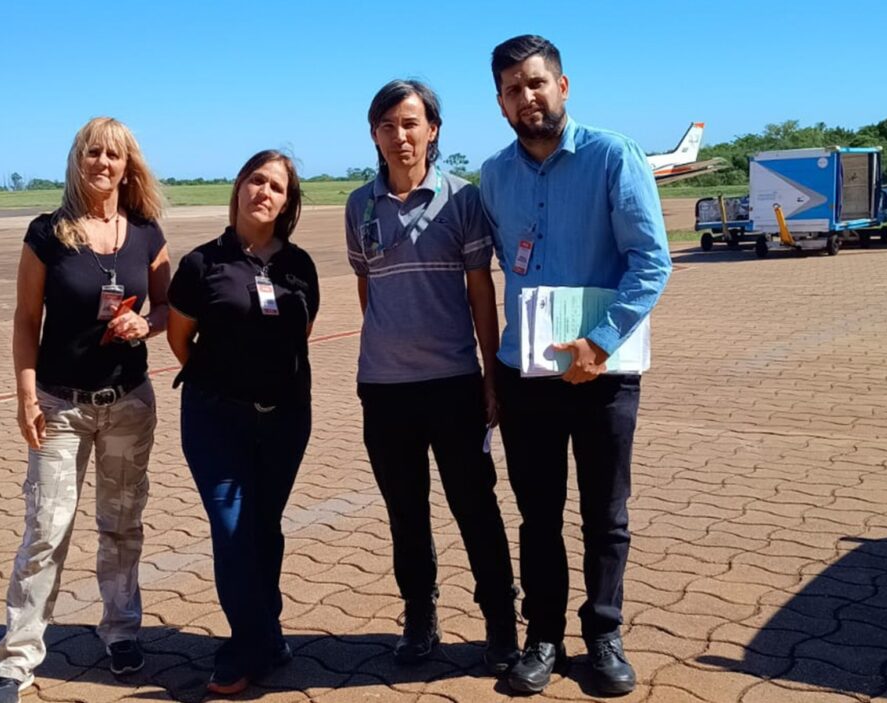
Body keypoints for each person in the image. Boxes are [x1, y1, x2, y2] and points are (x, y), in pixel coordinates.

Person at [479, 35, 672, 696]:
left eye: (536, 82)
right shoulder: (494, 175)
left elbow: (652, 261)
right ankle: (544, 635)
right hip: (527, 374)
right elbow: (509, 261)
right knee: (538, 514)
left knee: (605, 514)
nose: (526, 97)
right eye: (512, 89)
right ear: (500, 103)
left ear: (563, 86)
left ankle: (604, 633)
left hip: (604, 374)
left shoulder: (612, 156)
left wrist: (600, 338)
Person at [0, 117, 171, 703]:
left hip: (128, 404)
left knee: (122, 526)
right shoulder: (48, 233)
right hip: (60, 406)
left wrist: (149, 323)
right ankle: (18, 656)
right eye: (93, 152)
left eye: (114, 155)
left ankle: (120, 631)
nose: (102, 163)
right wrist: (24, 393)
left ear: (128, 165)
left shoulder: (145, 232)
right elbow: (24, 320)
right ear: (77, 159)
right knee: (46, 528)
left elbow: (169, 308)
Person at [344, 80, 519, 673]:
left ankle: (500, 619)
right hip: (385, 389)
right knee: (405, 511)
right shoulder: (358, 205)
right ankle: (420, 616)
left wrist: (490, 376)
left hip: (453, 384)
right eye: (388, 125)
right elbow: (369, 292)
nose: (400, 136)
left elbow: (479, 292)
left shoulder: (462, 200)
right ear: (374, 134)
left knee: (475, 504)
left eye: (411, 123)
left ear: (433, 130)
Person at [166, 150, 319, 695]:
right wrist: (227, 382)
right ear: (238, 187)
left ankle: (267, 633)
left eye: (276, 187)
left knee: (264, 527)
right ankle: (248, 644)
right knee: (233, 531)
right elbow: (180, 338)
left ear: (286, 202)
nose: (264, 192)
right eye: (256, 180)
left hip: (284, 420)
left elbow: (298, 337)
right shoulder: (200, 264)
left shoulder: (299, 266)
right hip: (215, 419)